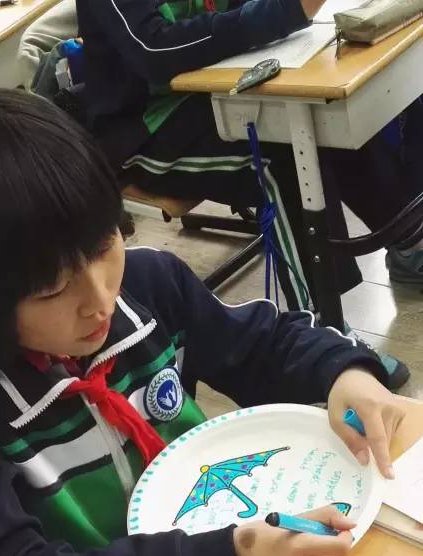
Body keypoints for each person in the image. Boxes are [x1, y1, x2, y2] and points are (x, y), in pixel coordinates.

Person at [0, 89, 404, 556]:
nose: (99, 300)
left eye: (102, 247)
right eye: (52, 289)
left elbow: (260, 346)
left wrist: (343, 372)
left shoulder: (149, 283)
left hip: (227, 555)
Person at [75, 0, 423, 384]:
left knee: (327, 110)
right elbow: (154, 50)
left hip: (215, 90)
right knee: (283, 156)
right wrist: (284, 12)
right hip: (142, 133)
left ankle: (409, 244)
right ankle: (323, 336)